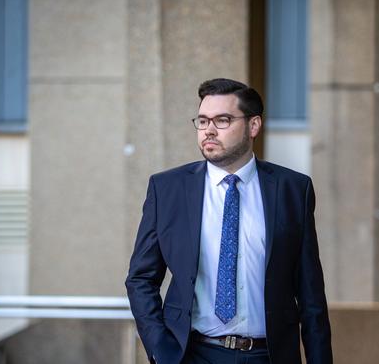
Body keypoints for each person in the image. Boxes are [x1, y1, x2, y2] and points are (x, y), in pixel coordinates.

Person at [126, 78, 332, 364]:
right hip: (191, 354)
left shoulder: (293, 189)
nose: (209, 130)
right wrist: (161, 349)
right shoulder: (167, 189)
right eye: (202, 121)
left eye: (222, 120)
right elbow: (141, 278)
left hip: (268, 355)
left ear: (253, 126)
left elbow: (311, 293)